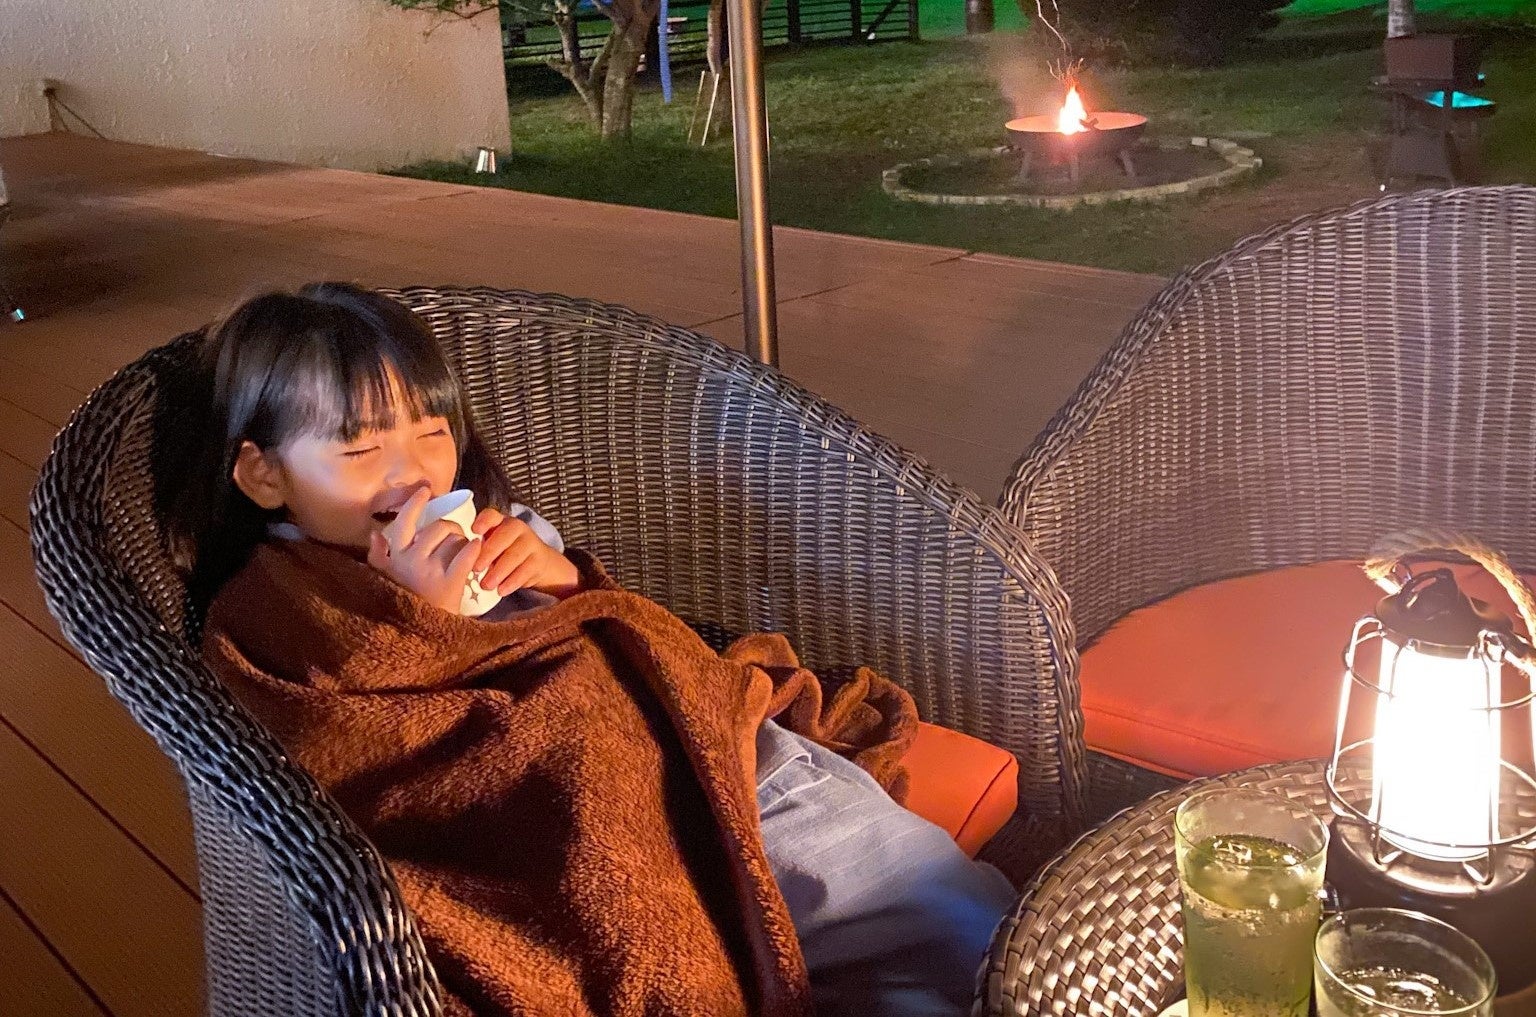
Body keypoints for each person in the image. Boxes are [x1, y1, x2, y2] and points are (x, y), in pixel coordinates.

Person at [169, 282, 1015, 1017]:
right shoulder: (274, 606)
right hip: (599, 820)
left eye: (432, 431)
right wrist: (426, 627)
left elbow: (622, 637)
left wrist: (566, 579)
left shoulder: (498, 529)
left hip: (717, 761)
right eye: (359, 448)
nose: (417, 474)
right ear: (264, 474)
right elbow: (348, 747)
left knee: (955, 917)